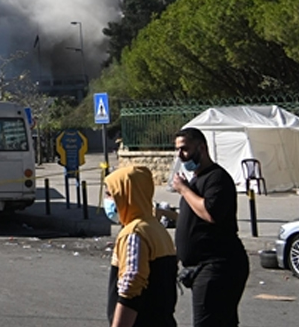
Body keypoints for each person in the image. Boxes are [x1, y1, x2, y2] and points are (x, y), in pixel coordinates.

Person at [171, 127, 249, 327]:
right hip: (201, 266)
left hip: (218, 265)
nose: (181, 155)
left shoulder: (217, 178)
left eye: (185, 149)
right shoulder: (197, 179)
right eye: (178, 150)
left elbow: (210, 213)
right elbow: (194, 217)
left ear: (201, 147)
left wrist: (184, 190)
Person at [105, 164, 177, 327]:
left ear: (126, 194)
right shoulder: (155, 227)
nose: (108, 200)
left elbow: (131, 287)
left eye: (111, 194)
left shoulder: (134, 233)